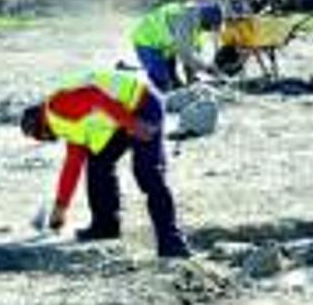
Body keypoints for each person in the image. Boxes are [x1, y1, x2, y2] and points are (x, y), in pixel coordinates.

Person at [20, 69, 190, 258]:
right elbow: (72, 165)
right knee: (98, 164)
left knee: (148, 173)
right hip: (122, 118)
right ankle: (105, 226)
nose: (43, 140)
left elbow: (95, 96)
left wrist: (131, 123)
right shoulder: (65, 125)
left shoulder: (57, 105)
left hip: (144, 105)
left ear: (39, 126)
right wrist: (61, 208)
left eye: (38, 136)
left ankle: (172, 242)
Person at [131, 0, 224, 92]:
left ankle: (173, 93)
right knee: (162, 79)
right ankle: (161, 101)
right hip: (147, 41)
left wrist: (191, 79)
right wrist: (206, 68)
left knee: (175, 83)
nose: (212, 30)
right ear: (207, 20)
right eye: (213, 26)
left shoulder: (197, 27)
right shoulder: (185, 19)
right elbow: (185, 53)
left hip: (166, 47)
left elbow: (192, 55)